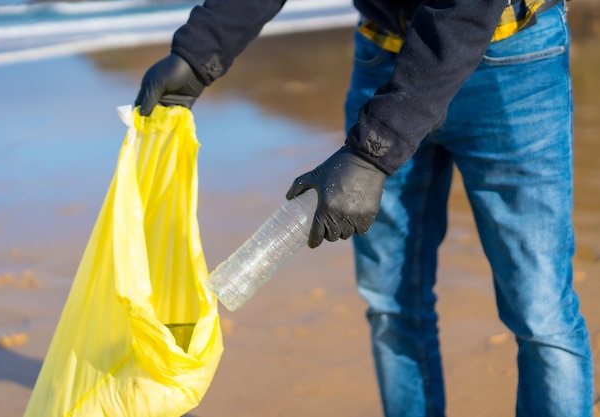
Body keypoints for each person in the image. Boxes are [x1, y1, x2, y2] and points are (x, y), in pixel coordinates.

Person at [135, 0, 594, 415]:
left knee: (540, 312)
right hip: (383, 57)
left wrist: (373, 151)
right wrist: (198, 52)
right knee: (391, 306)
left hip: (512, 56)